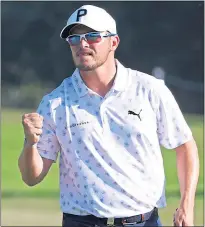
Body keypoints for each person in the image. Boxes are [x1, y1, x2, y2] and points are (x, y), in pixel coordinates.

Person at [18, 4, 199, 227]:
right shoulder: (55, 103)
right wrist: (30, 144)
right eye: (74, 39)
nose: (82, 44)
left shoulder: (149, 89)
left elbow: (185, 146)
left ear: (114, 42)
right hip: (81, 222)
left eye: (92, 36)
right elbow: (31, 177)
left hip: (144, 222)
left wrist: (186, 205)